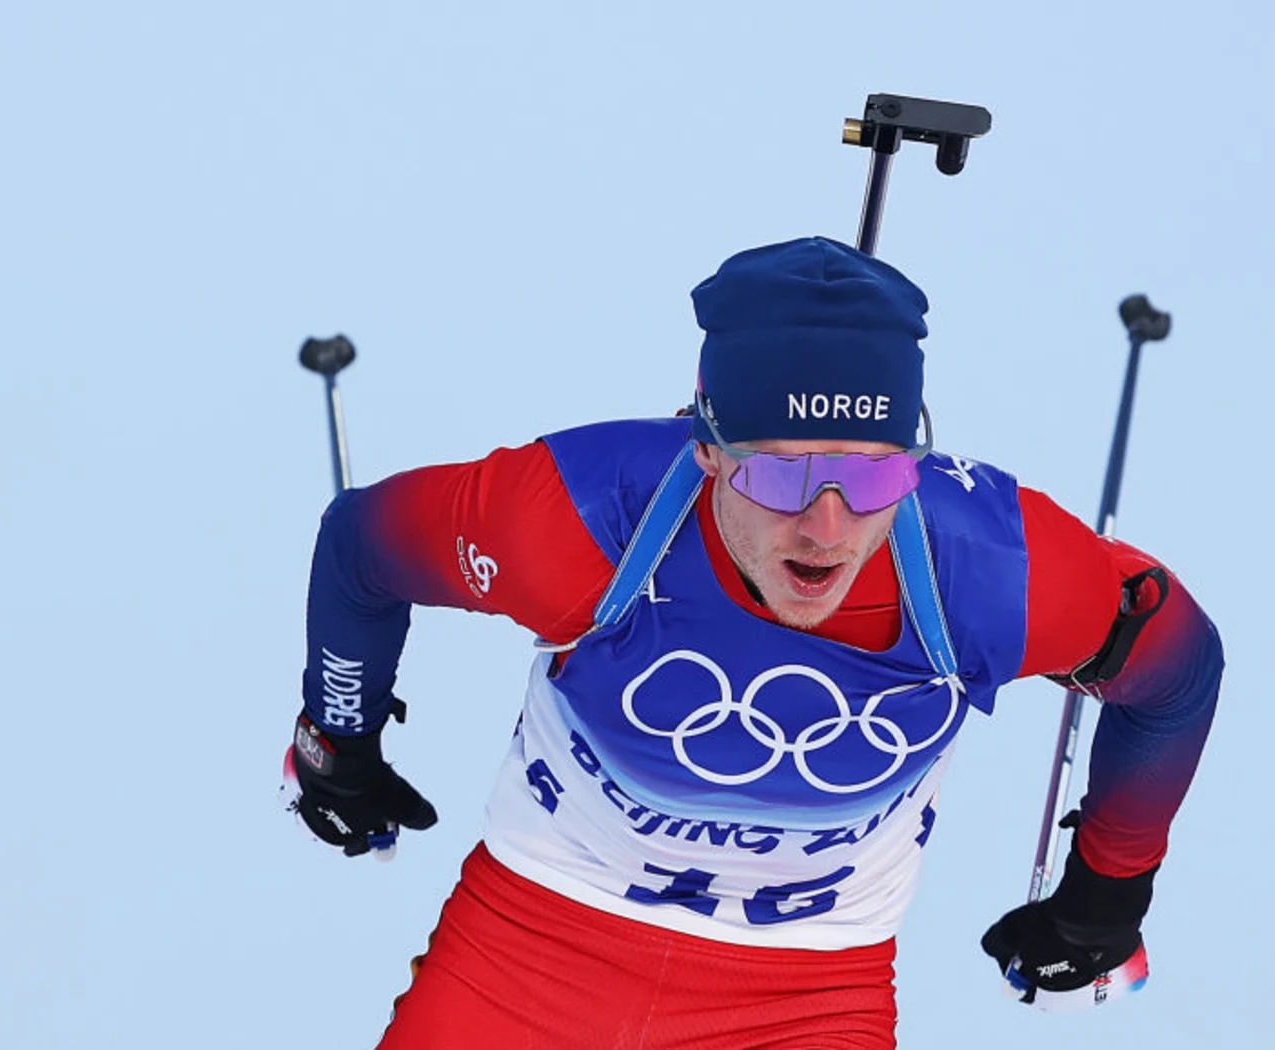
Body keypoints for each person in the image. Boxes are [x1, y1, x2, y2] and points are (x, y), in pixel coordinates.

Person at [283, 237, 1225, 1049]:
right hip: (532, 942)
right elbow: (363, 545)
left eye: (872, 476)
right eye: (780, 478)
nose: (826, 528)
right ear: (706, 446)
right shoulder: (576, 518)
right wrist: (338, 744)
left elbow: (1178, 671)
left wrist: (1108, 891)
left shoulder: (989, 569)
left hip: (806, 992)